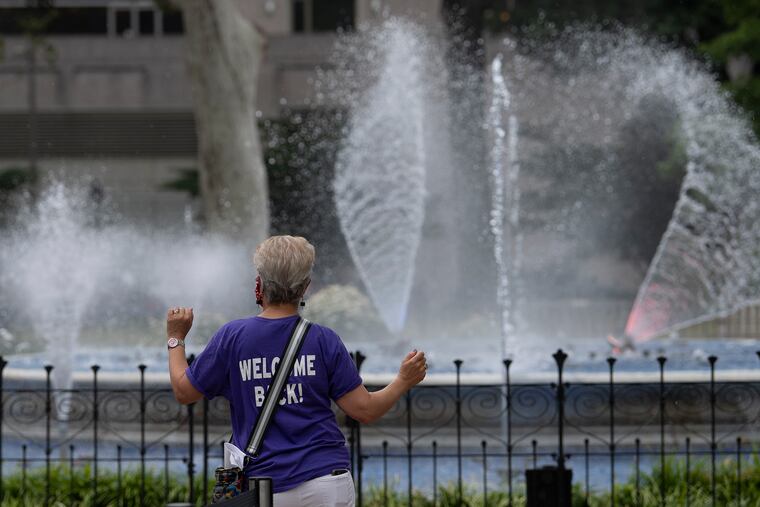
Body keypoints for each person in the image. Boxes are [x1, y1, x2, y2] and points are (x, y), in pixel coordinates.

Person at [166, 235, 427, 507]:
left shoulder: (233, 337)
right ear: (305, 287)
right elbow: (365, 410)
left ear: (259, 284)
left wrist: (176, 338)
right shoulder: (324, 340)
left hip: (266, 488)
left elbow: (184, 392)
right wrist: (403, 381)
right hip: (327, 482)